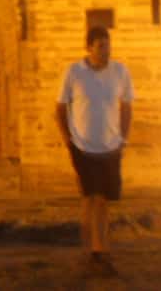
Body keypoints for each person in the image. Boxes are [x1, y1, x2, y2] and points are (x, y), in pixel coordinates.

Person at [55, 25, 134, 276]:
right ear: (88, 47)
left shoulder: (120, 71)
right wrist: (68, 140)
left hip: (110, 146)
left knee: (102, 201)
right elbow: (59, 108)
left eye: (108, 45)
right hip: (83, 146)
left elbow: (127, 106)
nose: (106, 50)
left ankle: (98, 251)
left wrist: (123, 138)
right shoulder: (74, 72)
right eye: (101, 46)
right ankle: (96, 252)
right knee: (92, 199)